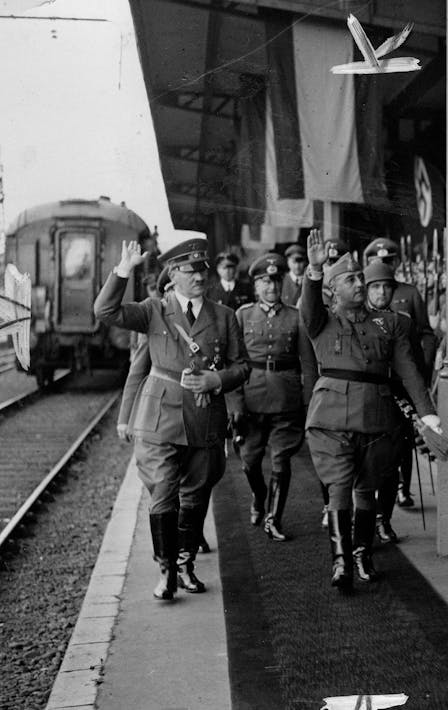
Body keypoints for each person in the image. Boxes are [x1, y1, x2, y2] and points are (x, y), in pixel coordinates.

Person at [94, 237, 249, 600]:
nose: (199, 277)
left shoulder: (224, 316)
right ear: (173, 274)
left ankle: (185, 564)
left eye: (202, 270)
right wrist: (123, 270)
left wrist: (216, 380)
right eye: (190, 271)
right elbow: (105, 311)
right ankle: (166, 572)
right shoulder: (154, 310)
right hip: (160, 416)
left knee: (195, 494)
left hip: (204, 416)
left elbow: (242, 366)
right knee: (163, 490)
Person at [300, 230, 440, 592]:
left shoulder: (389, 323)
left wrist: (427, 415)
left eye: (360, 278)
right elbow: (309, 306)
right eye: (350, 280)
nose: (360, 284)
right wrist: (314, 272)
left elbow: (409, 371)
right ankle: (341, 561)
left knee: (367, 487)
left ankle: (362, 553)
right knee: (339, 486)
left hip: (376, 417)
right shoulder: (322, 322)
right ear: (334, 290)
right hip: (331, 418)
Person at [228, 252, 314, 542]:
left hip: (286, 398)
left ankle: (273, 519)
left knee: (281, 460)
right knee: (249, 461)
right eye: (265, 281)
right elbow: (234, 363)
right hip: (251, 401)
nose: (271, 287)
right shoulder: (242, 316)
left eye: (276, 281)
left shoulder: (296, 316)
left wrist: (308, 402)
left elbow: (308, 364)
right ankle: (258, 495)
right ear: (255, 286)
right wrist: (236, 403)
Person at [363, 237, 438, 509]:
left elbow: (425, 335)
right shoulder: (363, 300)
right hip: (376, 381)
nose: (383, 265)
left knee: (403, 439)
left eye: (388, 260)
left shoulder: (409, 293)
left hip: (402, 379)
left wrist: (421, 371)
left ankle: (403, 488)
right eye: (377, 261)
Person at [362, 260, 420, 544]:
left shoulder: (404, 322)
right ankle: (363, 519)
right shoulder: (357, 320)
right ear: (366, 290)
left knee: (390, 465)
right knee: (364, 465)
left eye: (386, 287)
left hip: (395, 400)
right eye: (375, 287)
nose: (381, 292)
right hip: (366, 399)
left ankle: (383, 519)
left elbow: (415, 364)